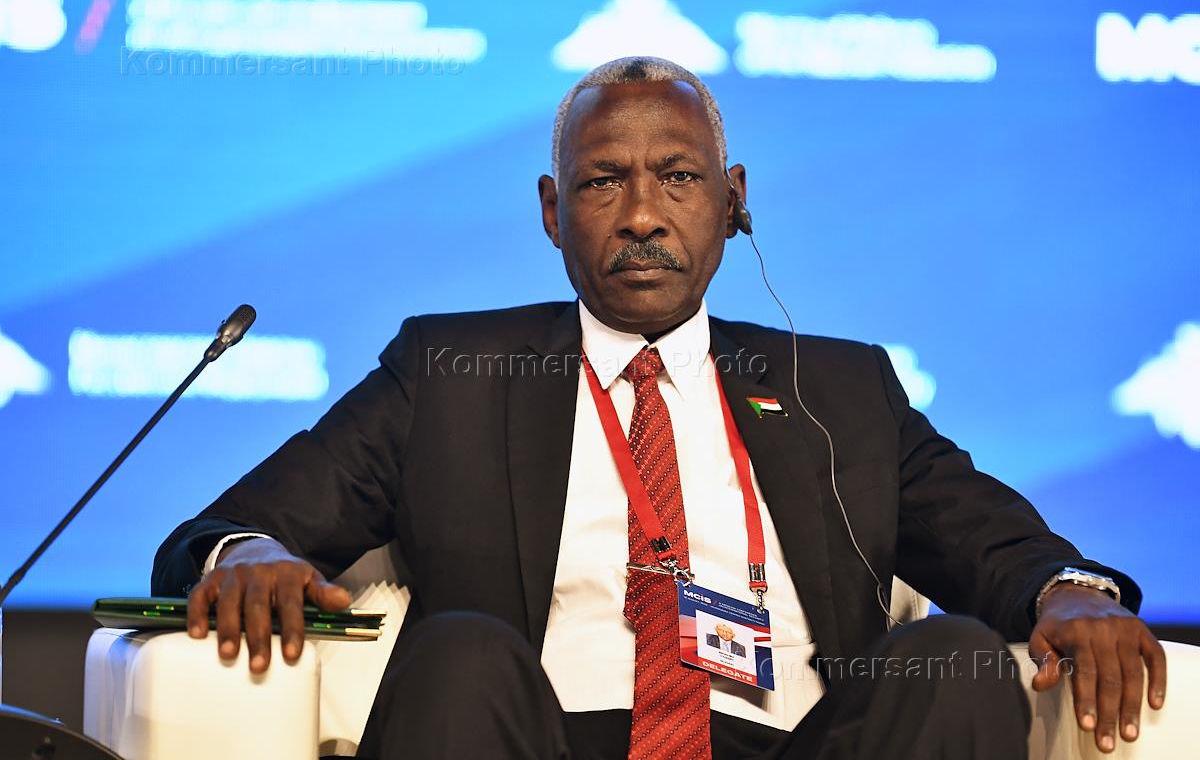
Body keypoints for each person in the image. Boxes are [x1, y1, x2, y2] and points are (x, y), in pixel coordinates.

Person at [153, 57, 1167, 759]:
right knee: (457, 651)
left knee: (953, 658)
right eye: (604, 182)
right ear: (553, 211)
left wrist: (1069, 589)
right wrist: (243, 552)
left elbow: (994, 541)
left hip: (791, 743)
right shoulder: (450, 372)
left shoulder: (840, 390)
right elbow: (234, 527)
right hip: (535, 736)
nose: (642, 215)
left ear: (732, 199)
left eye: (678, 177)